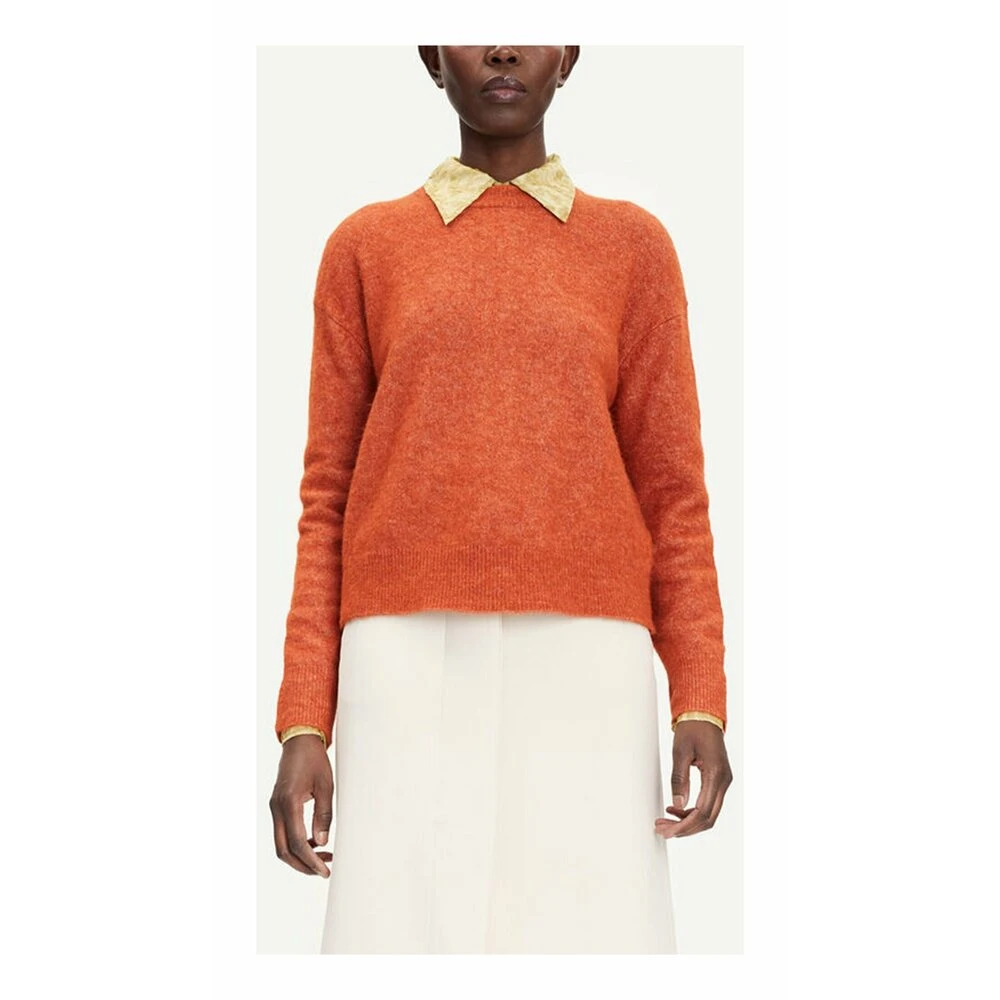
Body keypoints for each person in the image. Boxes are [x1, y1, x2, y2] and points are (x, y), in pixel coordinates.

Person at [268, 45, 734, 954]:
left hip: (588, 661)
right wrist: (303, 718)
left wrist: (700, 700)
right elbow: (326, 497)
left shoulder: (632, 248)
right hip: (399, 660)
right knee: (396, 939)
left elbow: (675, 494)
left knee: (593, 939)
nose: (505, 48)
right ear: (431, 57)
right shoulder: (366, 248)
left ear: (570, 57)